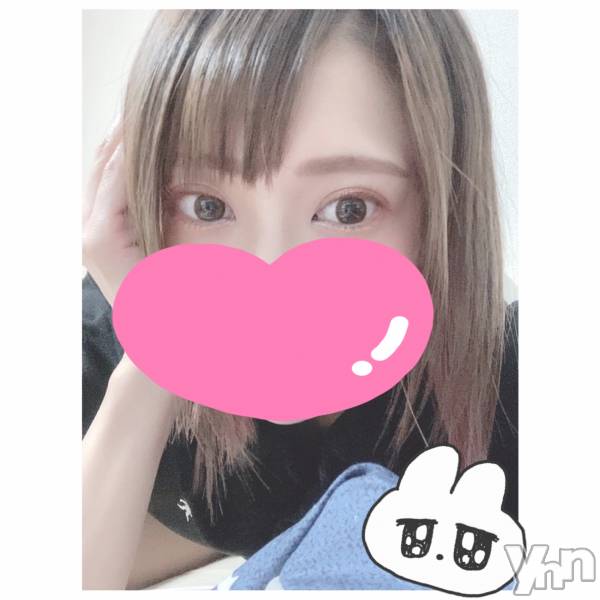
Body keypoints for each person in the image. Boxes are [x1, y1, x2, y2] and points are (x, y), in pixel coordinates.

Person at [82, 9, 518, 590]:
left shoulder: (514, 387)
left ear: (445, 207)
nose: (269, 275)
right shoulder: (101, 339)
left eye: (349, 209)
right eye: (207, 207)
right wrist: (153, 356)